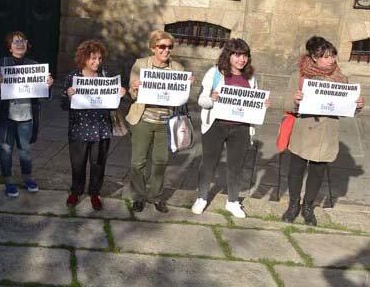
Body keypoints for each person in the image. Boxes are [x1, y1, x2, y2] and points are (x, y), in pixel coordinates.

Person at [282, 36, 364, 226]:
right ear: (315, 57)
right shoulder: (300, 76)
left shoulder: (341, 78)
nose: (331, 60)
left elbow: (348, 108)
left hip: (327, 133)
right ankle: (293, 204)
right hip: (304, 130)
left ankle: (308, 207)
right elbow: (284, 103)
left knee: (317, 172)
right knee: (296, 170)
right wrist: (295, 99)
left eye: (333, 55)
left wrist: (358, 105)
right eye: (326, 56)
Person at [192, 38, 269, 218]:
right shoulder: (215, 73)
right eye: (237, 55)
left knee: (236, 166)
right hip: (216, 126)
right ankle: (202, 197)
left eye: (245, 56)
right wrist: (212, 97)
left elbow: (252, 102)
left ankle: (233, 201)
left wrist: (262, 103)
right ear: (229, 55)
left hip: (240, 128)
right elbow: (202, 100)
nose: (241, 59)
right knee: (208, 163)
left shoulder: (250, 77)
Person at [128, 30, 190, 213]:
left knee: (161, 161)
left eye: (169, 47)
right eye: (162, 46)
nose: (166, 51)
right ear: (153, 48)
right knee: (137, 162)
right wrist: (134, 87)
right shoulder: (140, 64)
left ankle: (155, 196)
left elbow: (182, 98)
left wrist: (187, 86)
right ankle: (138, 196)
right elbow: (132, 94)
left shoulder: (177, 68)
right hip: (143, 119)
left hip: (166, 122)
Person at [62, 39, 123, 211]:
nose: (97, 62)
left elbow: (113, 102)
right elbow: (63, 105)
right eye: (93, 59)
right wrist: (68, 95)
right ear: (83, 59)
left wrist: (121, 94)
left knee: (98, 163)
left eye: (99, 59)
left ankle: (94, 193)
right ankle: (76, 191)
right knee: (78, 163)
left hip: (102, 129)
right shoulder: (73, 77)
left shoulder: (106, 76)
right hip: (79, 129)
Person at [0, 31, 53, 197]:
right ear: (9, 47)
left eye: (23, 41)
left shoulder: (34, 65)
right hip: (7, 114)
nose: (20, 44)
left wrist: (48, 84)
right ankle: (8, 180)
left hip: (26, 115)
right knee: (5, 149)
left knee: (25, 149)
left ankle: (27, 177)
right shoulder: (1, 63)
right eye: (16, 42)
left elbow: (43, 93)